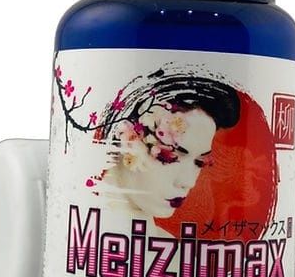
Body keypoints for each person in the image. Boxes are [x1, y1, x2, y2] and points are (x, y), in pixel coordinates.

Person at [91, 69, 241, 235]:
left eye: (199, 162)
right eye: (170, 156)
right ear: (129, 138)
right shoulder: (73, 218)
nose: (188, 182)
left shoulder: (170, 248)